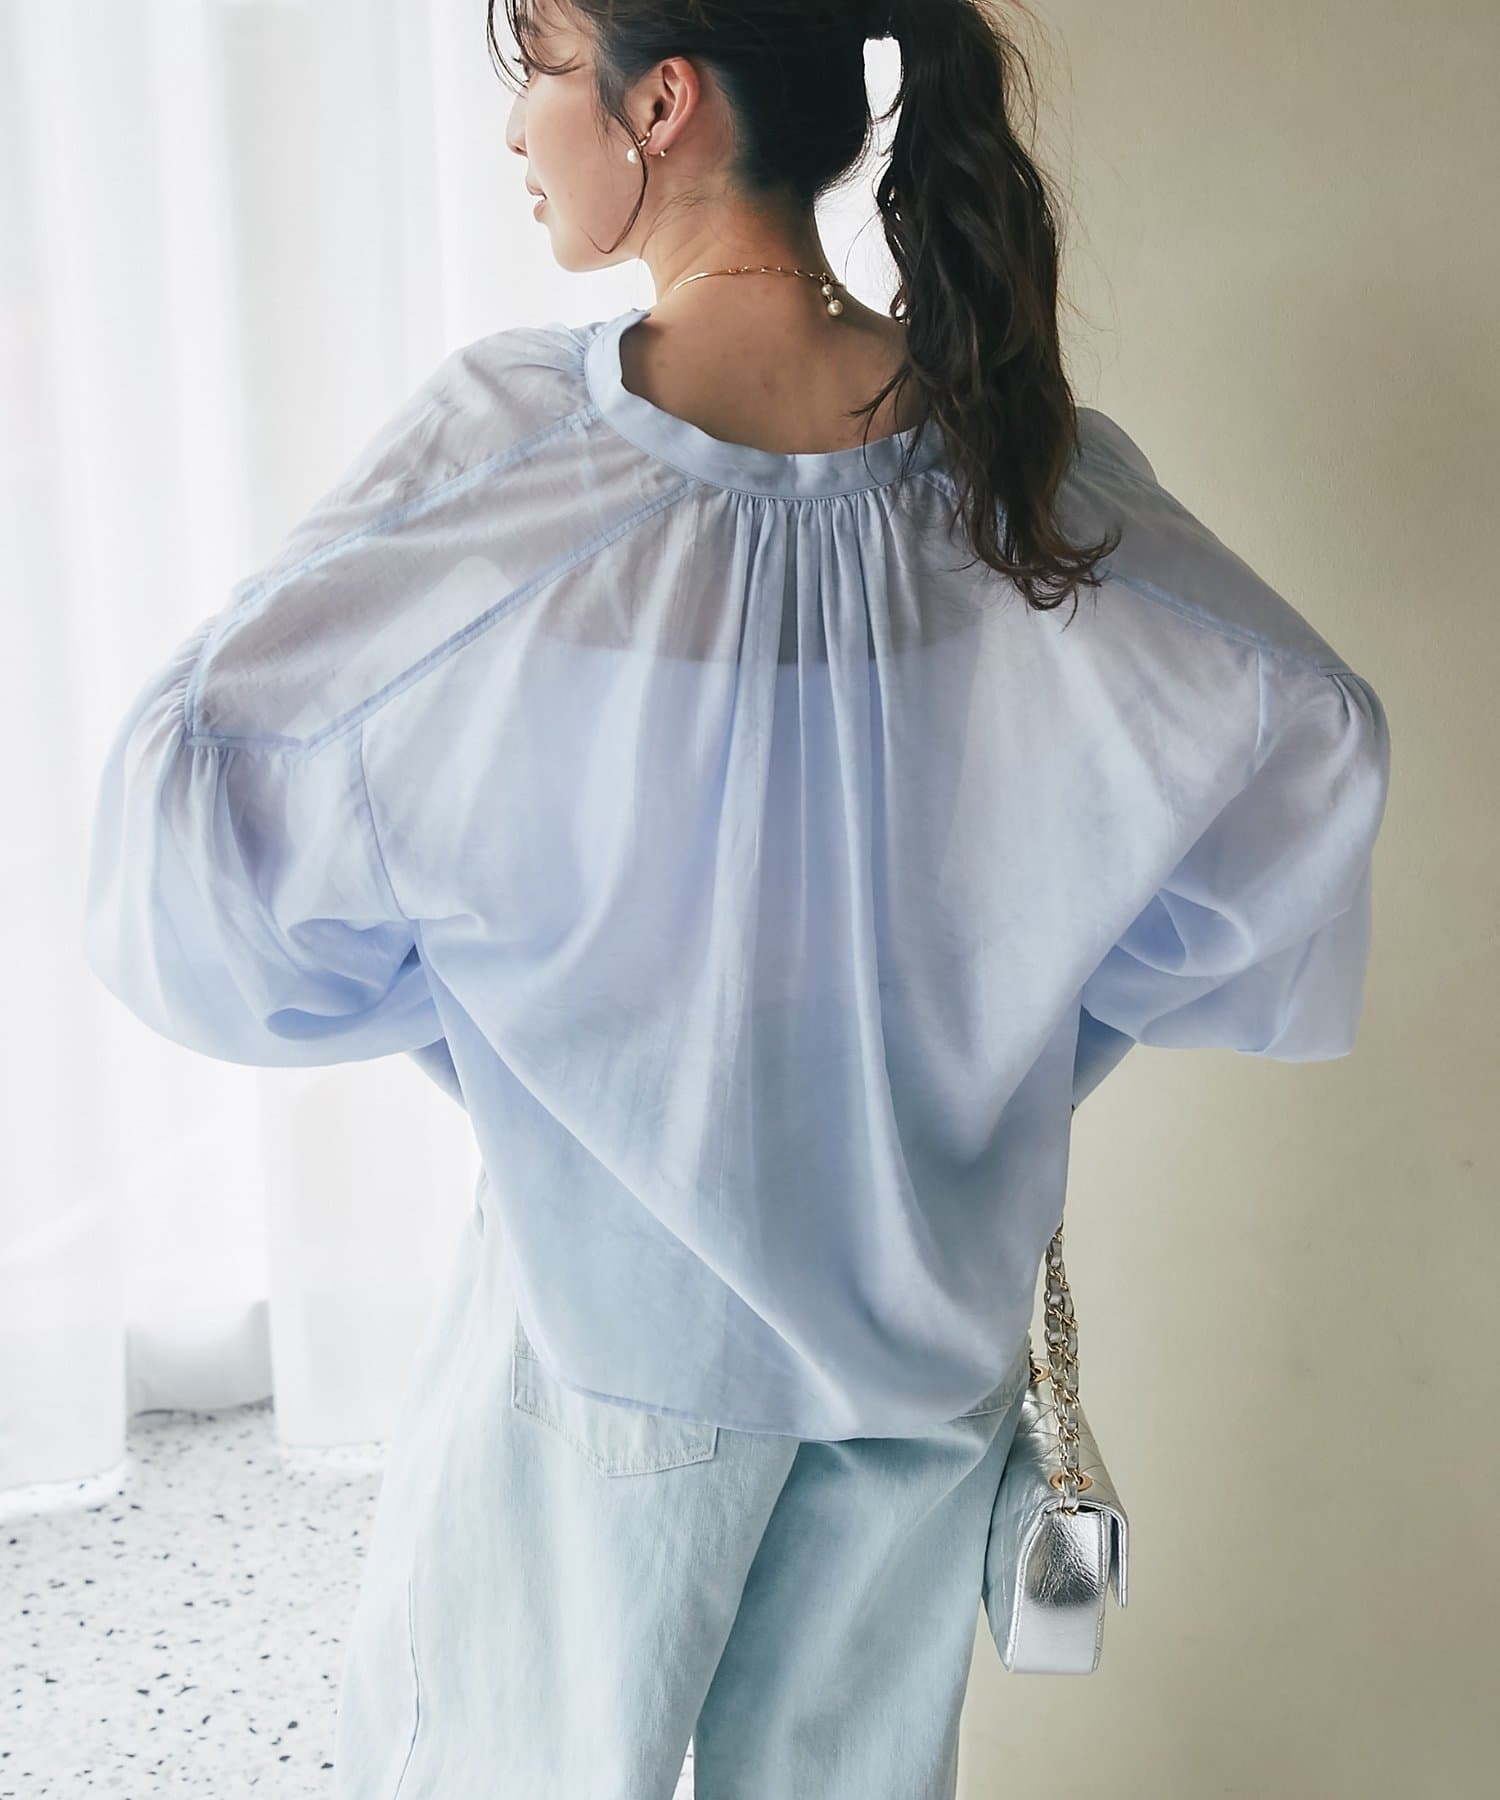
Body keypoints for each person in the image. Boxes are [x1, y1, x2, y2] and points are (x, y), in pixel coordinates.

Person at [79, 1, 1392, 1795]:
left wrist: (486, 1011)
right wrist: (1021, 1036)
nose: (516, 128)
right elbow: (1303, 740)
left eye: (541, 72)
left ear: (665, 103)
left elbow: (199, 785)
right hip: (921, 1329)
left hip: (611, 1327)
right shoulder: (1014, 452)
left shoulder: (523, 442)